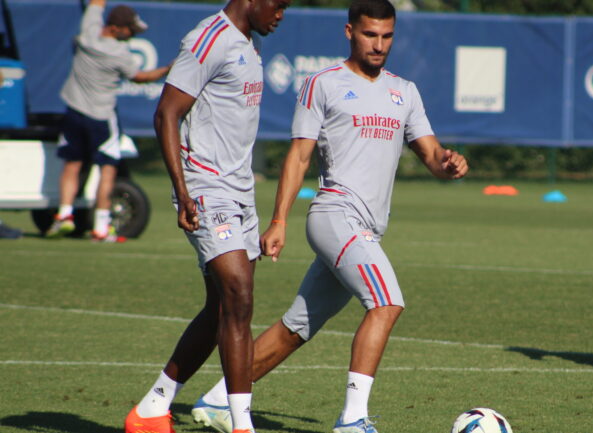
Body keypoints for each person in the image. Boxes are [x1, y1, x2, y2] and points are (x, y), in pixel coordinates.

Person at [189, 1, 468, 433]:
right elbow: (299, 156)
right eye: (370, 35)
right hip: (334, 215)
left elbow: (431, 154)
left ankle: (219, 400)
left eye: (386, 36)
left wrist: (447, 164)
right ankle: (353, 420)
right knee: (387, 302)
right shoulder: (323, 83)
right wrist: (279, 220)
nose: (378, 45)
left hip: (366, 227)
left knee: (296, 327)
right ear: (349, 32)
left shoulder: (404, 91)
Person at [123, 1, 290, 433]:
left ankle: (151, 409)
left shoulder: (249, 44)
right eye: (278, 4)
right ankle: (241, 426)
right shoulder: (208, 38)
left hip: (240, 194)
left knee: (221, 307)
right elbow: (166, 113)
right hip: (203, 188)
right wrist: (183, 191)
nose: (282, 14)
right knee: (239, 295)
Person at [46, 0, 170, 242]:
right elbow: (140, 77)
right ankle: (101, 228)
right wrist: (167, 69)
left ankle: (63, 216)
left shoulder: (87, 32)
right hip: (101, 117)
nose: (132, 34)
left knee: (72, 165)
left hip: (73, 111)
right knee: (108, 170)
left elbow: (96, 4)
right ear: (115, 29)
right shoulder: (119, 53)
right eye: (130, 30)